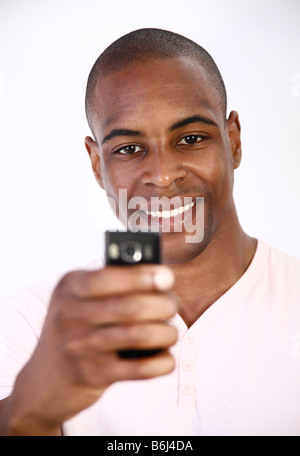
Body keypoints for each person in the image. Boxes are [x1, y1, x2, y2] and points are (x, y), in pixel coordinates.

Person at [0, 28, 300, 436]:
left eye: (191, 138)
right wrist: (30, 413)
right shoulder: (32, 322)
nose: (162, 175)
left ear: (233, 141)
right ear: (96, 165)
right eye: (128, 148)